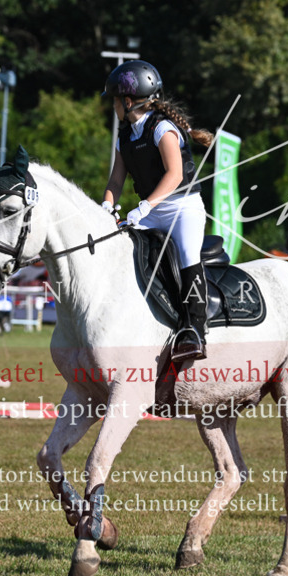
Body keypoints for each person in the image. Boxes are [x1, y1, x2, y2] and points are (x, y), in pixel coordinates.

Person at [101, 60, 215, 361]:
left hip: (181, 208)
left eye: (115, 100)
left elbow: (175, 175)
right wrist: (107, 206)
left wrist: (144, 207)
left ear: (127, 101)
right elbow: (116, 180)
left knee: (188, 255)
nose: (113, 106)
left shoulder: (162, 128)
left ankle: (194, 330)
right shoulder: (125, 137)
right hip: (149, 211)